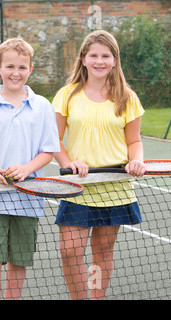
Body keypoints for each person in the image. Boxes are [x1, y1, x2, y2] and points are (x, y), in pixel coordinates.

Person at [52, 30, 146, 300]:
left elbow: (134, 142)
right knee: (70, 252)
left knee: (102, 252)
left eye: (106, 55)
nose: (99, 61)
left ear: (115, 60)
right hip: (78, 188)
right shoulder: (67, 95)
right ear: (83, 59)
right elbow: (55, 141)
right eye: (93, 55)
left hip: (114, 187)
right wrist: (70, 163)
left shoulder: (127, 97)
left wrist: (137, 160)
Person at [0, 38, 60, 300]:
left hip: (28, 198)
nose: (15, 73)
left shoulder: (43, 106)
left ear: (30, 69)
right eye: (10, 66)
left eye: (22, 67)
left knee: (19, 260)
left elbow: (48, 150)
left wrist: (26, 168)